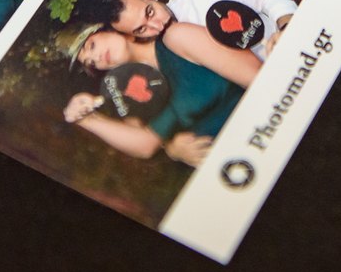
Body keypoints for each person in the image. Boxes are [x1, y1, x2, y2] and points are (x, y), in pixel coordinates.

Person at [59, 21, 261, 165]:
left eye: (92, 45)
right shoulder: (130, 94)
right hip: (232, 162)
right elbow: (146, 145)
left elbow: (257, 78)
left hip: (262, 126)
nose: (97, 58)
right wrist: (87, 119)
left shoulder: (176, 40)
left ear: (109, 29)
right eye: (91, 63)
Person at [94, 0, 299, 59]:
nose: (157, 25)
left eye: (150, 12)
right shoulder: (170, 57)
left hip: (297, 47)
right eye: (141, 29)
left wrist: (287, 28)